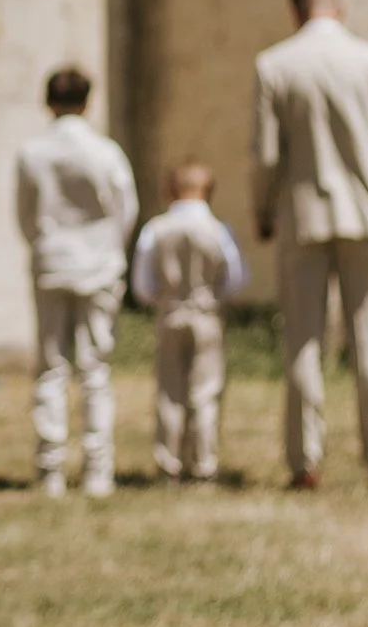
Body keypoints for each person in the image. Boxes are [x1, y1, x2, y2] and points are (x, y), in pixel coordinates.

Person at [251, 0, 368, 489]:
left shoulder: (274, 65)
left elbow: (266, 155)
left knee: (303, 342)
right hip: (367, 214)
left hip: (304, 215)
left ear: (295, 13)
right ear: (339, 9)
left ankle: (305, 463)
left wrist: (263, 209)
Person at [14, 65, 139, 498]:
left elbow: (26, 215)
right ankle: (97, 471)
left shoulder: (32, 153)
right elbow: (126, 209)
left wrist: (44, 243)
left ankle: (49, 470)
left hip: (52, 261)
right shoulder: (105, 153)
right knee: (95, 369)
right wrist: (108, 249)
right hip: (99, 265)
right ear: (88, 102)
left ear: (48, 101)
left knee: (50, 367)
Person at [130, 163, 247, 485]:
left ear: (170, 189)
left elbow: (141, 284)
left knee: (170, 391)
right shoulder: (218, 230)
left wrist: (161, 298)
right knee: (205, 392)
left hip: (169, 313)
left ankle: (169, 464)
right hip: (207, 314)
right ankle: (204, 463)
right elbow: (236, 277)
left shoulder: (156, 229)